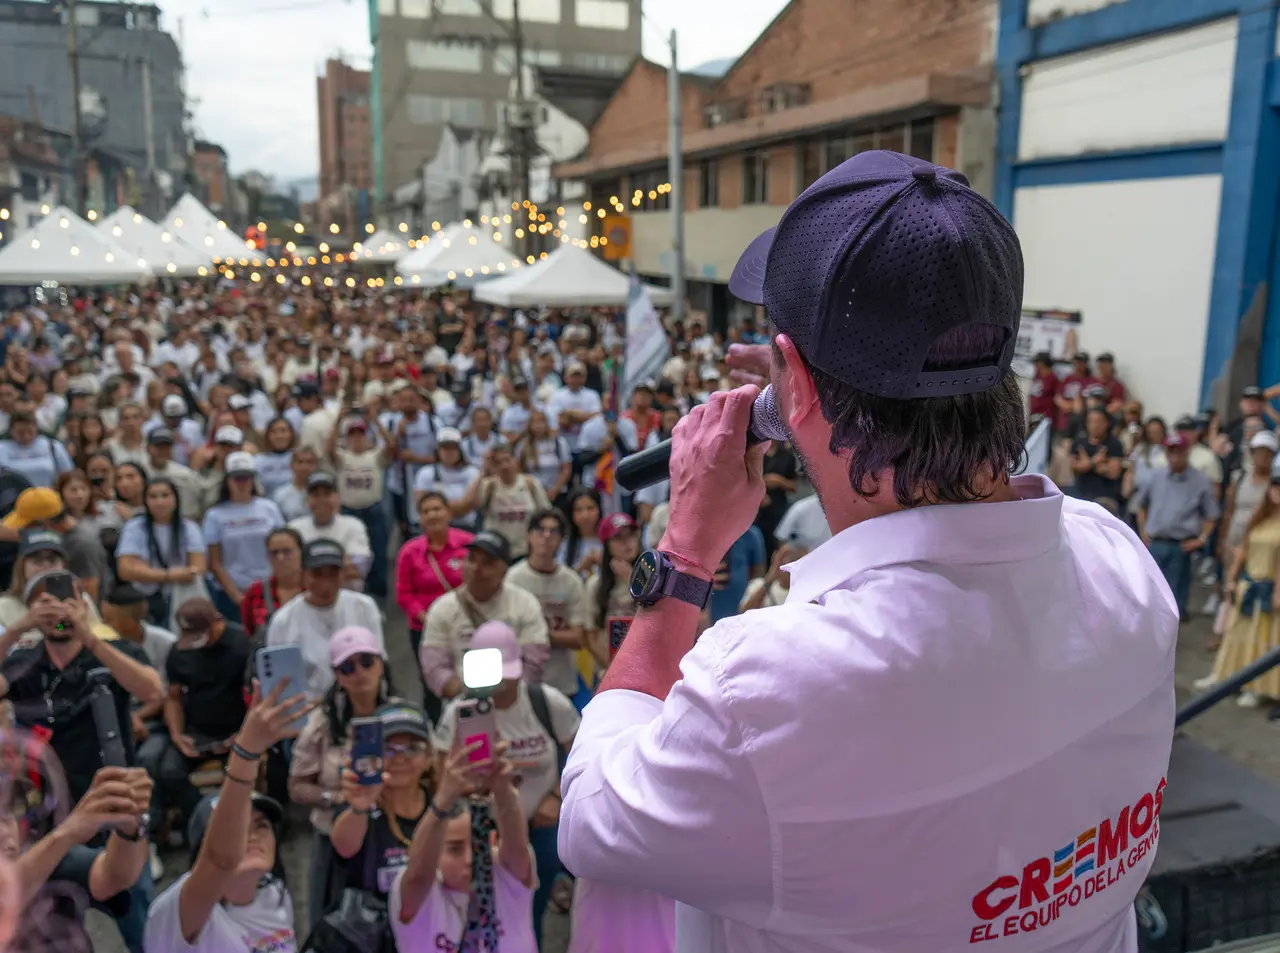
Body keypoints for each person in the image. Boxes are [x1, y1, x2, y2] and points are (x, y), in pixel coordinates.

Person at [557, 150, 1178, 952]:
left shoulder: (767, 688)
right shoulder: (1122, 566)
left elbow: (590, 816)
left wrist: (685, 548)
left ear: (802, 391)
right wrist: (803, 387)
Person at [434, 620, 578, 942]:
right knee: (483, 908)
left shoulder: (547, 702)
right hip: (481, 829)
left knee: (532, 906)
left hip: (540, 828)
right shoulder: (458, 712)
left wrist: (556, 796)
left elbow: (582, 754)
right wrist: (473, 786)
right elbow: (440, 770)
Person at [143, 681, 309, 953]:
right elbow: (219, 860)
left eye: (262, 825)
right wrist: (246, 752)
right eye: (240, 827)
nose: (253, 835)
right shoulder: (179, 913)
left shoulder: (274, 893)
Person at [389, 736, 536, 953]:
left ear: (492, 841)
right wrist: (445, 797)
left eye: (478, 845)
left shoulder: (503, 874)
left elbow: (518, 848)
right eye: (455, 849)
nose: (470, 859)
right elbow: (417, 875)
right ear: (436, 853)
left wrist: (502, 789)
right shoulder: (422, 893)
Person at [289, 625, 392, 928]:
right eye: (348, 667)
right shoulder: (322, 724)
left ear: (381, 663)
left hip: (391, 833)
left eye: (366, 661)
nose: (359, 672)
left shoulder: (403, 715)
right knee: (333, 927)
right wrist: (336, 798)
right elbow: (296, 786)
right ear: (337, 675)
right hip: (333, 838)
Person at [1, 765, 153, 953]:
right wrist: (67, 833)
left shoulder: (44, 860)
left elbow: (114, 877)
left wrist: (129, 828)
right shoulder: (47, 853)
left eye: (6, 811)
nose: (4, 829)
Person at [155, 599, 252, 835]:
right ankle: (205, 823)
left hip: (238, 731)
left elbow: (256, 697)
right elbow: (174, 697)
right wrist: (178, 734)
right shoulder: (179, 653)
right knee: (168, 771)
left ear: (217, 622)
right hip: (197, 732)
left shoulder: (242, 646)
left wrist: (244, 735)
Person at [419, 531, 549, 707]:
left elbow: (534, 663)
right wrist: (471, 693)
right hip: (464, 706)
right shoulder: (442, 609)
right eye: (471, 560)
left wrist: (506, 694)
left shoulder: (525, 604)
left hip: (517, 704)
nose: (476, 569)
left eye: (487, 563)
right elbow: (434, 668)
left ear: (504, 570)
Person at [330, 700, 436, 912]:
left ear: (428, 759)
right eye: (387, 749)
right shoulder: (357, 805)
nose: (399, 758)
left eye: (412, 748)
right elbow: (344, 848)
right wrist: (360, 807)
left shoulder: (441, 807)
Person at [266, 539, 384, 699]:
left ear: (343, 573)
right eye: (317, 574)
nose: (325, 583)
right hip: (309, 708)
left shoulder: (363, 606)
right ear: (303, 574)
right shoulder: (283, 621)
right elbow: (280, 682)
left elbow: (378, 661)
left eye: (333, 574)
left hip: (361, 699)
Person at [1199, 474, 1280, 706]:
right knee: (1235, 635)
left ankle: (1256, 687)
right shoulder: (1259, 515)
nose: (1277, 490)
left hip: (1268, 586)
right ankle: (1223, 676)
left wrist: (1277, 593)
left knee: (1261, 640)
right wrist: (1232, 578)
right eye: (1275, 484)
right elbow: (1244, 548)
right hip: (1249, 582)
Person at [1132, 432, 1220, 620]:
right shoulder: (1156, 476)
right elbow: (1140, 505)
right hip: (1154, 543)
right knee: (1148, 595)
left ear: (1187, 452)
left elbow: (1211, 515)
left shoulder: (1200, 481)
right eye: (1171, 452)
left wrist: (1201, 539)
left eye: (1179, 452)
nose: (1174, 457)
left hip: (1181, 545)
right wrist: (1143, 530)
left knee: (1173, 604)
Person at [506, 507, 589, 706]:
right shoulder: (513, 578)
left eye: (553, 531)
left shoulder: (571, 581)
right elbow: (509, 636)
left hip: (562, 681)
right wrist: (553, 636)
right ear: (529, 536)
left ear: (561, 539)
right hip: (522, 679)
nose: (546, 536)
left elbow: (578, 638)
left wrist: (533, 636)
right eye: (540, 530)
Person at [395, 491, 473, 698]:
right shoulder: (409, 552)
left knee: (471, 676)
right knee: (432, 683)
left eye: (437, 509)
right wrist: (427, 618)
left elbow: (478, 582)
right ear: (420, 518)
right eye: (426, 511)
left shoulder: (468, 544)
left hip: (465, 624)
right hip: (425, 628)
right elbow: (404, 594)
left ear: (448, 513)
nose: (432, 515)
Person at [203, 451, 285, 620]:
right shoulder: (214, 515)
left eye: (246, 477)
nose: (241, 483)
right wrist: (237, 596)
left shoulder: (269, 508)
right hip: (232, 592)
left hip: (269, 588)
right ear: (227, 480)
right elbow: (215, 562)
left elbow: (281, 548)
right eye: (236, 478)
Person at [116, 477, 207, 626]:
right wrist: (170, 575)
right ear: (145, 501)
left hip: (181, 598)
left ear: (175, 499)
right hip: (145, 599)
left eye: (165, 495)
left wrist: (145, 571)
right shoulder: (135, 527)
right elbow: (125, 570)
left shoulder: (188, 528)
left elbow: (198, 569)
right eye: (153, 496)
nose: (160, 502)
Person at [458, 441, 550, 559]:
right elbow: (467, 504)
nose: (504, 466)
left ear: (515, 460)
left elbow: (546, 514)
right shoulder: (489, 486)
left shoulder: (530, 483)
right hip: (496, 551)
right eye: (498, 462)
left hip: (525, 550)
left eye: (507, 460)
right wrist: (483, 472)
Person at [289, 471, 373, 588]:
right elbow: (289, 572)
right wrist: (339, 563)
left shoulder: (353, 525)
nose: (321, 500)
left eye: (327, 494)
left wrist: (310, 567)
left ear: (337, 498)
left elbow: (358, 570)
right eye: (315, 495)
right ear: (307, 500)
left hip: (347, 597)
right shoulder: (294, 528)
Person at [240, 527, 306, 642]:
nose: (280, 558)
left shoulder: (315, 588)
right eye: (274, 553)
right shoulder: (255, 592)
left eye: (287, 551)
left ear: (302, 552)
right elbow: (249, 632)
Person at [0, 411, 74, 487]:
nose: (26, 436)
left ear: (36, 429)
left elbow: (68, 473)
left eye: (30, 431)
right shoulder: (2, 449)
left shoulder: (52, 446)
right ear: (11, 431)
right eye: (20, 432)